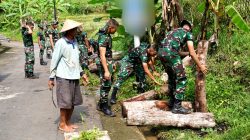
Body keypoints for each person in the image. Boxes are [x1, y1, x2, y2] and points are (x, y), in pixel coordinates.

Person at [158, 20, 208, 114]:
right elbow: (192, 54)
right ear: (189, 28)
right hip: (171, 54)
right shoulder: (188, 33)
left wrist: (189, 53)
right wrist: (201, 66)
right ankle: (177, 107)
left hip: (161, 53)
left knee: (172, 78)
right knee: (182, 78)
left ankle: (172, 102)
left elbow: (177, 51)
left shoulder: (173, 32)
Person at [48, 19, 89, 132]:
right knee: (65, 102)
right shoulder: (60, 43)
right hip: (63, 77)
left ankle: (68, 122)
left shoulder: (75, 42)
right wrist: (51, 77)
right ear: (69, 30)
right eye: (75, 29)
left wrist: (82, 73)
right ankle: (62, 124)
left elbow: (76, 60)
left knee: (73, 102)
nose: (77, 31)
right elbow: (54, 60)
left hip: (74, 75)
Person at [96, 19, 119, 117]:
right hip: (104, 63)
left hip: (108, 62)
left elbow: (108, 53)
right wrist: (106, 70)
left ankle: (101, 103)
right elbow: (102, 55)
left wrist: (112, 63)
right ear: (110, 28)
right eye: (115, 29)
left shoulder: (106, 35)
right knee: (106, 84)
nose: (116, 31)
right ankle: (104, 106)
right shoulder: (104, 37)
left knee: (108, 83)